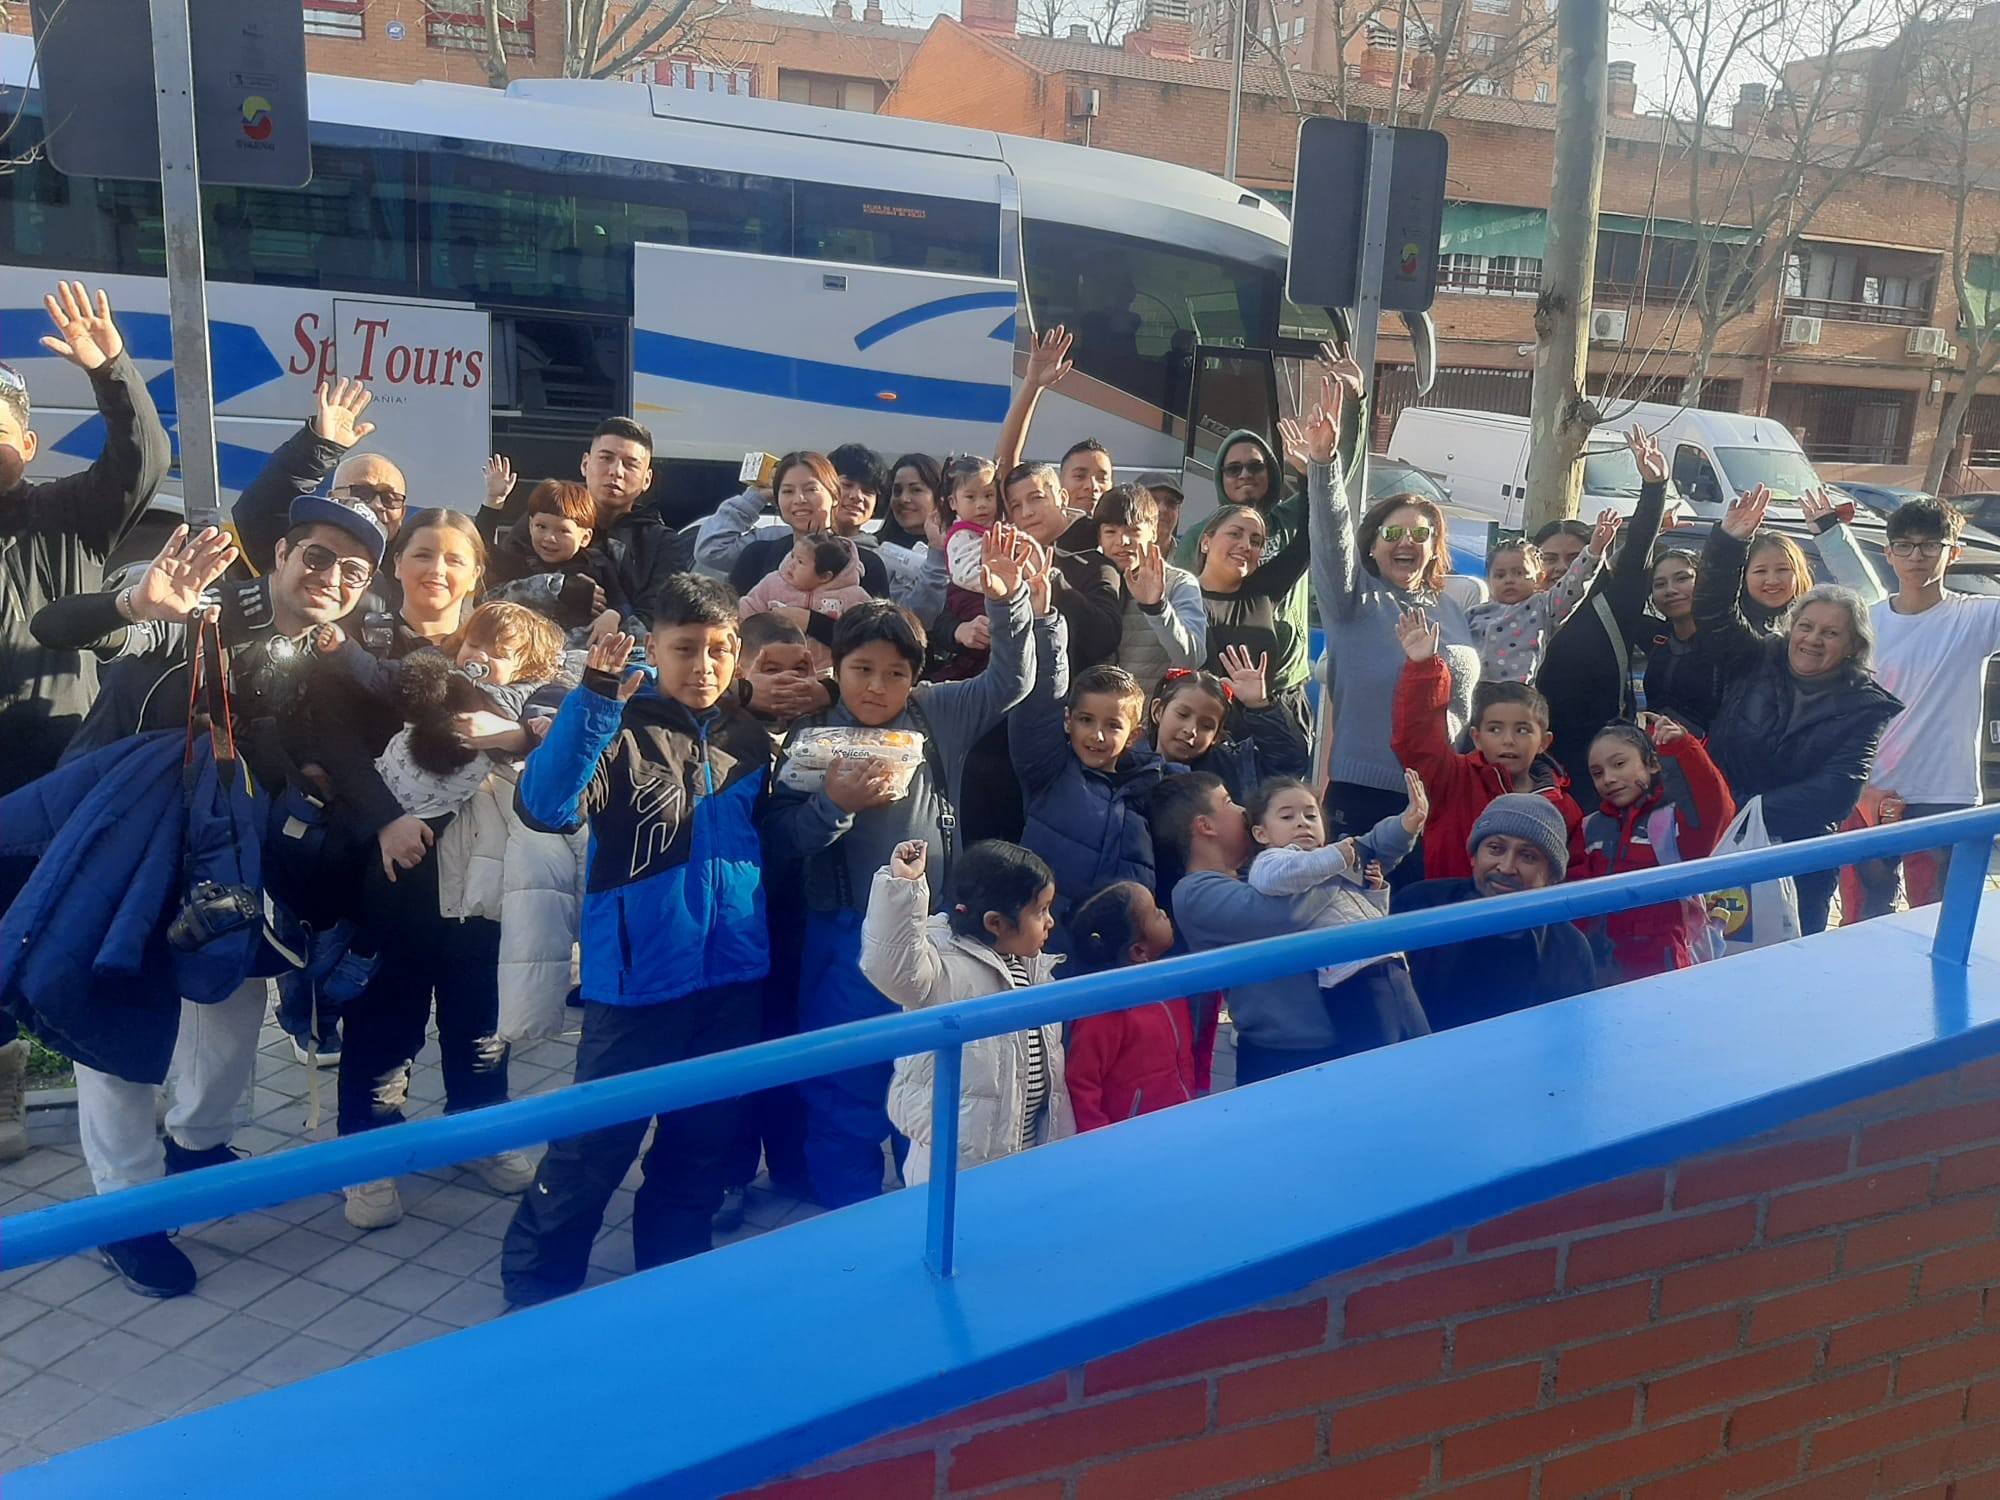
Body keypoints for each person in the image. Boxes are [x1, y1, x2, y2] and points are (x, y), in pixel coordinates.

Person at [22, 502, 389, 1295]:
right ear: (282, 554)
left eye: (354, 572)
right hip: (124, 841)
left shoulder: (320, 654)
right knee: (119, 1011)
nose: (332, 578)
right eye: (317, 557)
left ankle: (196, 1144)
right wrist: (137, 604)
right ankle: (125, 1209)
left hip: (224, 853)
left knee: (232, 995)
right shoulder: (199, 612)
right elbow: (58, 626)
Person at [501, 584, 775, 1306]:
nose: (704, 665)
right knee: (594, 1143)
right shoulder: (617, 725)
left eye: (719, 650)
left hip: (732, 977)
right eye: (685, 649)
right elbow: (545, 806)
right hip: (638, 981)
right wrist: (594, 699)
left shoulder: (750, 737)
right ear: (653, 649)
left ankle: (671, 1277)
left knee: (701, 1143)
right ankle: (537, 1284)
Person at [760, 528, 1037, 1209]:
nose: (877, 686)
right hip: (843, 942)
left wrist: (1008, 602)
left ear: (915, 678)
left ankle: (917, 1212)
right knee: (845, 1087)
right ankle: (854, 1220)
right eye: (862, 669)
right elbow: (780, 839)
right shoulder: (811, 734)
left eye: (895, 673)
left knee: (925, 1084)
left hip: (933, 938)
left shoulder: (936, 713)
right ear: (836, 666)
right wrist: (833, 806)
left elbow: (1011, 681)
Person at [1694, 485, 1904, 934]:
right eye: (1805, 627)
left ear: (1853, 647)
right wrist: (1728, 543)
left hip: (1799, 860)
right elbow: (1712, 613)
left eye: (1830, 633)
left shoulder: (1865, 705)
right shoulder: (1758, 657)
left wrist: (1747, 808)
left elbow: (1837, 791)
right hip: (1721, 839)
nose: (1812, 639)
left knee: (1789, 958)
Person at [1299, 378, 1480, 882]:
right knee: (1358, 913)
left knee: (1424, 914)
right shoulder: (1353, 602)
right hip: (1365, 796)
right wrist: (1324, 464)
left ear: (1435, 546)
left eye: (1420, 534)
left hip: (1442, 795)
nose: (1406, 542)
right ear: (1373, 546)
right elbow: (1330, 538)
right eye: (1393, 533)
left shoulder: (1454, 608)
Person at [0, 280, 172, 796]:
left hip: (58, 773)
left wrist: (111, 371)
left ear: (29, 445)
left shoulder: (68, 514)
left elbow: (144, 460)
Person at [1807, 495, 2000, 918]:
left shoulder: (1978, 619)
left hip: (1945, 797)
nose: (1917, 556)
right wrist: (1829, 532)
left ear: (1953, 553)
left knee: (1941, 924)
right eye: (1906, 545)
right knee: (1864, 924)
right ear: (1889, 552)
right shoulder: (1866, 622)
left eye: (1931, 545)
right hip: (1868, 793)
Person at [861, 839, 1074, 1185]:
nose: (1050, 921)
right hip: (953, 1161)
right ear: (996, 923)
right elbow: (893, 968)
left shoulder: (1032, 967)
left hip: (1026, 1150)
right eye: (1041, 911)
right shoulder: (941, 966)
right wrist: (903, 888)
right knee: (954, 1222)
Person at [1157, 774, 1363, 1083]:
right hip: (1282, 1054)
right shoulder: (1194, 893)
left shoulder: (1255, 874)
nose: (1243, 810)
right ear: (1205, 826)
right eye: (1228, 801)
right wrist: (1337, 867)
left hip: (1333, 1039)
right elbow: (1287, 914)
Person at [1532, 427, 1677, 810]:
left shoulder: (1615, 601)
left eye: (1575, 556)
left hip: (1600, 763)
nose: (1563, 567)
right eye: (1550, 558)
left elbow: (1640, 544)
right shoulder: (1523, 611)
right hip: (1530, 758)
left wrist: (1654, 486)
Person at [1010, 606, 1169, 946]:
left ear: (1134, 735)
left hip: (1118, 954)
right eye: (1086, 720)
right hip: (1045, 944)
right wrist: (1044, 623)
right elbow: (1039, 703)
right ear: (1067, 721)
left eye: (1113, 725)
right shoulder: (1050, 769)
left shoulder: (1152, 789)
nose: (1097, 735)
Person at [1391, 609, 1581, 882]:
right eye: (1495, 729)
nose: (1508, 740)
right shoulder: (1453, 780)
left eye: (1523, 730)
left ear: (1544, 742)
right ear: (1477, 737)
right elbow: (1417, 740)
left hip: (1528, 911)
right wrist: (1423, 669)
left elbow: (1573, 878)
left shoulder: (1564, 808)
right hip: (1453, 906)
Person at [1244, 770, 1430, 1048]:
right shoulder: (1273, 860)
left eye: (1311, 815)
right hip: (1351, 978)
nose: (1302, 823)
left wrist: (1374, 890)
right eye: (1287, 817)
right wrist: (1335, 856)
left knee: (1420, 1049)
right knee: (1378, 1058)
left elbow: (1363, 914)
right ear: (1261, 833)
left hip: (1390, 964)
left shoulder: (1331, 861)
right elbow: (1272, 878)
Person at [1394, 794, 1599, 1032]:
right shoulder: (1419, 904)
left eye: (1528, 856)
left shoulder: (1569, 949)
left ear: (1552, 876)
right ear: (1474, 856)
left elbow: (1573, 1036)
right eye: (1495, 848)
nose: (1506, 867)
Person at [1574, 719, 1735, 982]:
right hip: (1601, 968)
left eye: (1619, 764)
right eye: (1597, 773)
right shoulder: (1589, 827)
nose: (1608, 779)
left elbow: (1715, 808)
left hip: (1662, 967)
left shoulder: (1669, 823)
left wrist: (1683, 749)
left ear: (1652, 764)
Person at [483, 417, 690, 622]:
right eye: (605, 458)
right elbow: (491, 593)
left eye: (630, 465)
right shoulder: (546, 521)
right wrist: (555, 589)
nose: (616, 472)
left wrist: (611, 623)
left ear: (647, 480)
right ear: (585, 464)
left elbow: (663, 620)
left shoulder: (662, 544)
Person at [1063, 883, 1213, 1131]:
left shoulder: (1168, 983)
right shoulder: (1104, 1011)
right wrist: (1099, 1140)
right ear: (1139, 950)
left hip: (1177, 1121)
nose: (1163, 912)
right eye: (1154, 912)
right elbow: (1082, 1083)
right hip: (1129, 1137)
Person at [1470, 510, 1618, 683]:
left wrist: (1594, 551)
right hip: (1476, 690)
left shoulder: (1543, 607)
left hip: (1516, 691)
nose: (1509, 580)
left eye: (1519, 573)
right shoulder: (1475, 613)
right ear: (1489, 580)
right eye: (1500, 575)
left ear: (1539, 577)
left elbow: (1573, 584)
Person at [1191, 503, 1311, 708]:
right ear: (1205, 542)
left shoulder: (1262, 590)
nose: (1246, 545)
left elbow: (1308, 537)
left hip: (1261, 720)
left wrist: (1310, 480)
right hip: (1201, 722)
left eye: (1255, 541)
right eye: (1235, 534)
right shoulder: (1184, 599)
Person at [482, 480, 630, 646]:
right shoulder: (520, 562)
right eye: (541, 526)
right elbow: (480, 549)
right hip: (530, 651)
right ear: (530, 526)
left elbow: (621, 601)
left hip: (581, 653)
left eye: (563, 531)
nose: (550, 538)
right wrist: (493, 501)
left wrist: (613, 615)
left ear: (585, 537)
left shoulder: (597, 564)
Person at [1145, 658, 1310, 806]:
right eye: (1182, 715)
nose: (1191, 730)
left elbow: (1288, 765)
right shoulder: (1132, 763)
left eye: (1207, 726)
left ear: (1217, 736)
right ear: (1158, 711)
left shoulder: (1233, 768)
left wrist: (1259, 706)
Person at [1094, 485, 1203, 695]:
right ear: (1099, 537)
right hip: (1095, 711)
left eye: (1133, 531)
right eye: (1111, 532)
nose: (1122, 541)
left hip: (1152, 710)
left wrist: (1157, 608)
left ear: (1153, 531)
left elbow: (1192, 659)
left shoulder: (1179, 583)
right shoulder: (1089, 581)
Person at [739, 528, 873, 674]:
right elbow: (749, 609)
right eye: (792, 556)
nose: (791, 564)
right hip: (774, 669)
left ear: (824, 576)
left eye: (800, 562)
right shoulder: (773, 583)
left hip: (829, 673)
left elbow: (867, 634)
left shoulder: (853, 596)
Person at [929, 455, 1005, 683]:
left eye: (988, 496)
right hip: (971, 600)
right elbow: (964, 575)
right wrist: (1001, 582)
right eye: (971, 497)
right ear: (953, 503)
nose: (981, 504)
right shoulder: (961, 536)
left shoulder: (996, 529)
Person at [877, 452, 945, 617]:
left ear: (939, 498)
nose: (904, 499)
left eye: (916, 490)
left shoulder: (959, 550)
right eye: (897, 491)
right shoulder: (875, 549)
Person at [1134, 471, 1186, 549]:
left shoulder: (1190, 555)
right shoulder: (1118, 553)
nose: (1162, 509)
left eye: (1171, 502)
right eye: (1151, 501)